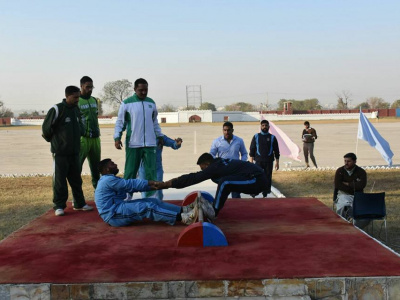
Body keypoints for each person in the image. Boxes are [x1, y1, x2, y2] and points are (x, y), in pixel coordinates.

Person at [95, 159, 214, 226]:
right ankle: (183, 218)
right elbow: (131, 185)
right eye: (112, 164)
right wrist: (153, 183)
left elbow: (133, 186)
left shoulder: (110, 179)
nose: (115, 164)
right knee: (147, 208)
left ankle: (185, 210)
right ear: (106, 169)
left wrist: (153, 186)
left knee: (153, 201)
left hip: (117, 207)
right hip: (113, 215)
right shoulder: (108, 180)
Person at [156, 153, 268, 216]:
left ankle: (214, 211)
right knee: (224, 182)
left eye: (203, 168)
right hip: (254, 177)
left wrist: (168, 184)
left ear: (207, 164)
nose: (203, 171)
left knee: (225, 182)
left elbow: (193, 178)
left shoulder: (214, 167)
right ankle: (216, 206)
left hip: (257, 179)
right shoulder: (217, 164)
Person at [42, 86, 93, 216]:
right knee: (60, 181)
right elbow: (46, 129)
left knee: (76, 179)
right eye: (75, 97)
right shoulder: (57, 109)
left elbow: (80, 126)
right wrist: (55, 141)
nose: (77, 100)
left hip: (74, 152)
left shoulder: (76, 109)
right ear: (67, 96)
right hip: (60, 152)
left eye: (78, 97)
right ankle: (59, 206)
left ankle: (79, 203)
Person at [114, 78, 163, 197]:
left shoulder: (151, 103)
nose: (143, 92)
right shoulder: (127, 103)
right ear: (135, 89)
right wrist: (117, 137)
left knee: (151, 172)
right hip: (133, 143)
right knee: (130, 172)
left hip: (150, 144)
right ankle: (126, 198)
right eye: (140, 90)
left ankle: (151, 198)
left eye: (146, 90)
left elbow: (154, 121)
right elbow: (120, 122)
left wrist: (159, 135)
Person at [210, 121, 248, 198]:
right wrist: (217, 163)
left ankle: (237, 208)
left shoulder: (239, 140)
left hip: (235, 170)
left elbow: (244, 153)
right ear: (222, 130)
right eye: (225, 130)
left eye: (228, 130)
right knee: (222, 193)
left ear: (232, 130)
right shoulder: (216, 141)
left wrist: (241, 163)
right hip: (223, 170)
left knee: (236, 193)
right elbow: (211, 154)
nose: (226, 132)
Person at [138, 135, 183, 200]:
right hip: (143, 169)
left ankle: (158, 207)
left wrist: (177, 143)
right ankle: (147, 208)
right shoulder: (138, 137)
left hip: (157, 169)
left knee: (158, 190)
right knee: (145, 192)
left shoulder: (159, 137)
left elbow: (173, 144)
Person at [334, 152, 369, 228]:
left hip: (357, 196)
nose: (346, 163)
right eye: (345, 161)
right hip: (343, 195)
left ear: (355, 161)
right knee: (343, 206)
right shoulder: (340, 171)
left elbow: (362, 185)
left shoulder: (361, 172)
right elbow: (338, 185)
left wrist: (348, 184)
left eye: (348, 161)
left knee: (364, 212)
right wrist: (354, 186)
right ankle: (341, 226)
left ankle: (355, 227)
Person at [78, 76, 101, 189]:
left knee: (96, 168)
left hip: (95, 138)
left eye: (91, 87)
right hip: (83, 139)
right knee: (77, 168)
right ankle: (77, 198)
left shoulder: (94, 100)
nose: (90, 89)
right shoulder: (77, 101)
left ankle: (98, 195)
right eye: (87, 87)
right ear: (81, 86)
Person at [249, 120, 280, 197]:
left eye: (266, 125)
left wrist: (277, 162)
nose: (264, 127)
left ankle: (265, 192)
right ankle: (254, 192)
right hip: (258, 161)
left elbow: (276, 151)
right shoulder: (256, 136)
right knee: (256, 176)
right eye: (263, 125)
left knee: (267, 177)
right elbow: (252, 149)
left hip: (269, 161)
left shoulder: (272, 137)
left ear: (269, 127)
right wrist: (251, 161)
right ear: (260, 127)